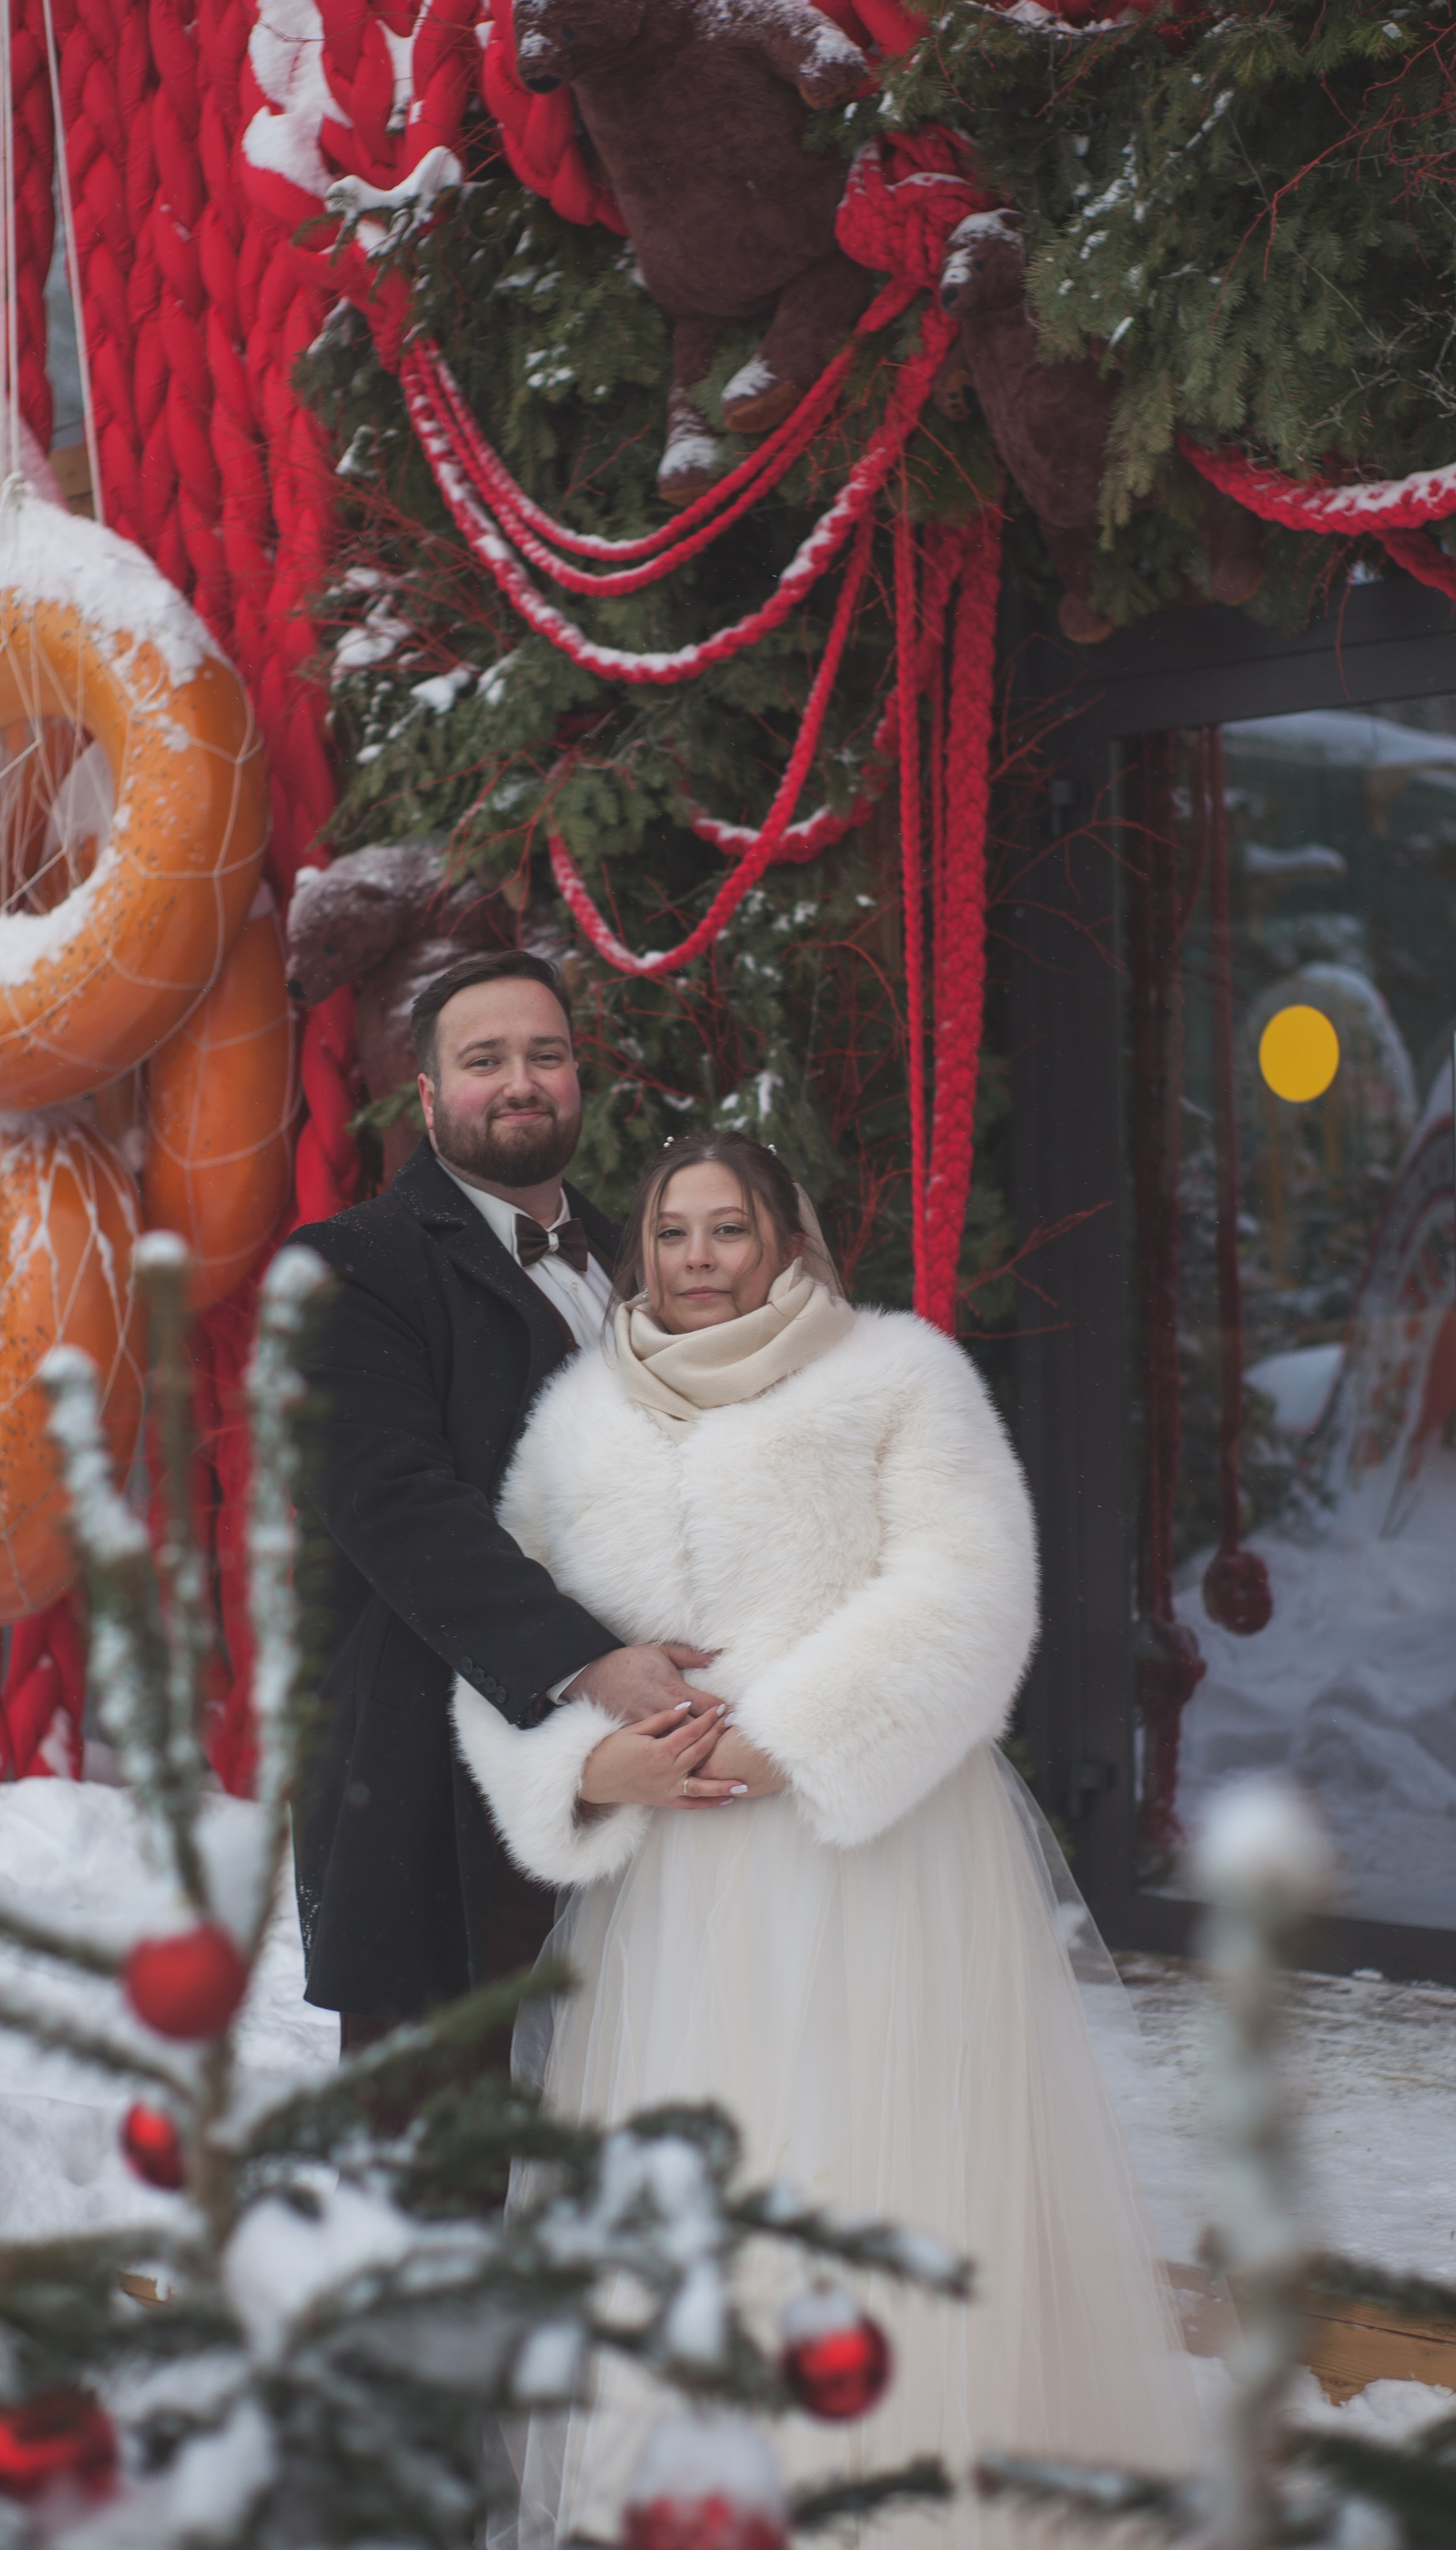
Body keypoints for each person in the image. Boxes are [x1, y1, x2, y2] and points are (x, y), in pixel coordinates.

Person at [454, 1131, 1201, 2542]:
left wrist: (779, 1739)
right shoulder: (576, 1423)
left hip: (866, 1854)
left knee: (862, 2165)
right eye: (669, 1235)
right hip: (668, 1888)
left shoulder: (895, 1379)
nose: (695, 1262)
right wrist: (585, 1767)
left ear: (786, 1241)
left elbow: (964, 1591)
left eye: (726, 1230)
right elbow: (508, 1636)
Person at [290, 953, 734, 2053]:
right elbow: (394, 1503)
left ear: (580, 1080)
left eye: (547, 1055)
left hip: (654, 1781)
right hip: (437, 1781)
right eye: (484, 1061)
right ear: (433, 1098)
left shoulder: (650, 1261)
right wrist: (587, 1663)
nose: (520, 1081)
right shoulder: (352, 1266)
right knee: (445, 2158)